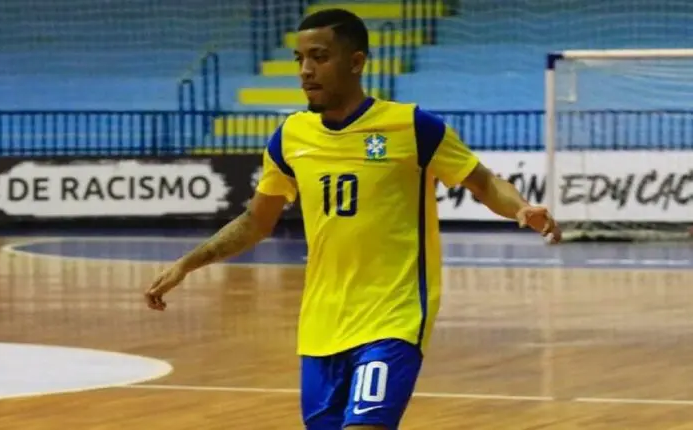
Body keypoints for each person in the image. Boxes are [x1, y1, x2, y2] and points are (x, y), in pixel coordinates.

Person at [145, 8, 561, 430]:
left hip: (393, 317)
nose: (305, 71)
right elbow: (256, 221)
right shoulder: (290, 137)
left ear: (356, 61)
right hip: (321, 326)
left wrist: (519, 208)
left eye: (319, 57)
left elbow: (484, 181)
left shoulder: (412, 126)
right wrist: (187, 263)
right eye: (300, 59)